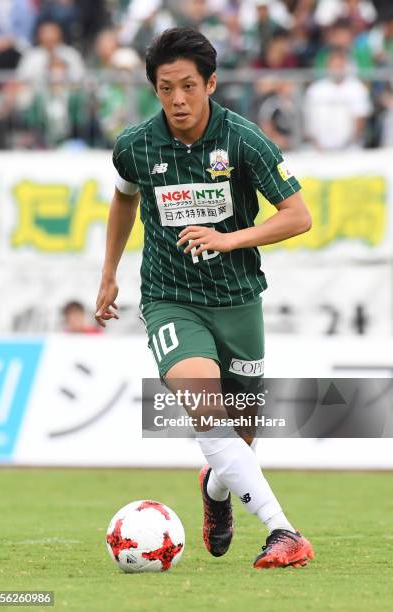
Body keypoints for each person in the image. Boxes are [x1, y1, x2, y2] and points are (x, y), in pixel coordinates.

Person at [96, 27, 314, 569]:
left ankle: (216, 493)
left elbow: (298, 216)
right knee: (207, 411)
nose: (178, 100)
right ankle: (283, 531)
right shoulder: (136, 145)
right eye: (166, 88)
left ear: (211, 83)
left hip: (239, 299)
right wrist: (108, 274)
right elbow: (124, 199)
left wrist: (228, 238)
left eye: (188, 86)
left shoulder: (243, 140)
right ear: (154, 90)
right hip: (171, 298)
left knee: (240, 435)